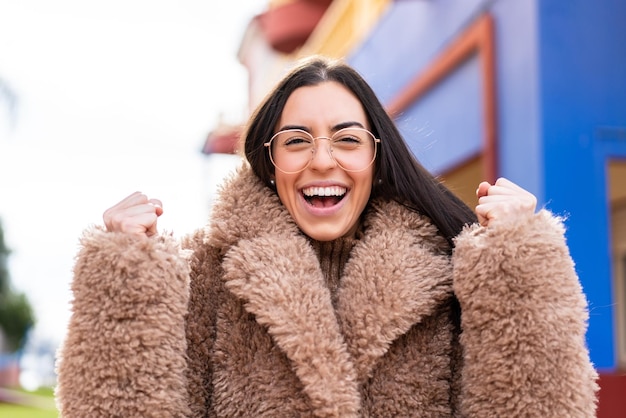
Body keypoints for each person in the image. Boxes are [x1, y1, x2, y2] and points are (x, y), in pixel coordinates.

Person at [55, 56, 598, 417]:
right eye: (295, 140)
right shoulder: (205, 276)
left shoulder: (450, 271)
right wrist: (125, 282)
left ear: (376, 155)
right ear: (269, 162)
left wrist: (518, 265)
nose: (322, 160)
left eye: (346, 138)